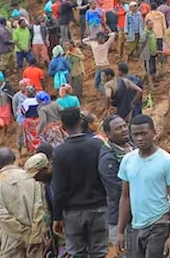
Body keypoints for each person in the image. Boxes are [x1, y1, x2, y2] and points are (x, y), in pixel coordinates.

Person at [116, 115, 170, 258]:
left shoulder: (167, 161)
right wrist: (120, 231)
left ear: (153, 132)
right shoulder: (128, 160)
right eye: (135, 134)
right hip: (135, 225)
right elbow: (125, 196)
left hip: (159, 224)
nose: (139, 138)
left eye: (144, 133)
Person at [51, 107, 109, 258]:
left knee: (77, 253)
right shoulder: (97, 146)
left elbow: (59, 188)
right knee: (99, 252)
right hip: (99, 208)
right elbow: (106, 177)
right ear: (81, 122)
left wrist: (57, 216)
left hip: (73, 213)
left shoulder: (59, 152)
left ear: (63, 127)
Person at [0, 147, 48, 258]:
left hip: (11, 240)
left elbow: (3, 216)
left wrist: (23, 234)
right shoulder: (32, 177)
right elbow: (40, 206)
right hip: (36, 237)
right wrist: (33, 234)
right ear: (14, 158)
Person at [98, 115, 132, 249]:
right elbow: (117, 190)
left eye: (124, 126)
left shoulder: (134, 147)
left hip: (139, 215)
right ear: (108, 135)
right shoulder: (108, 159)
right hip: (120, 218)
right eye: (118, 128)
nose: (124, 130)